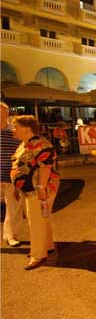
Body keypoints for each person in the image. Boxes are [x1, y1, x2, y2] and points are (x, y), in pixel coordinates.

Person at [11, 115, 60, 270]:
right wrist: (17, 188)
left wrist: (41, 188)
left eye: (16, 127)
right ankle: (47, 245)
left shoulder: (41, 144)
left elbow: (45, 167)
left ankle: (38, 255)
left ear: (27, 129)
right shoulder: (25, 144)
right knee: (41, 218)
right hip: (31, 189)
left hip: (39, 189)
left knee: (36, 221)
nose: (13, 130)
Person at [0, 102, 26, 247]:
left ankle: (11, 235)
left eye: (3, 112)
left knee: (13, 208)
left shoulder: (14, 131)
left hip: (10, 175)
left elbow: (22, 149)